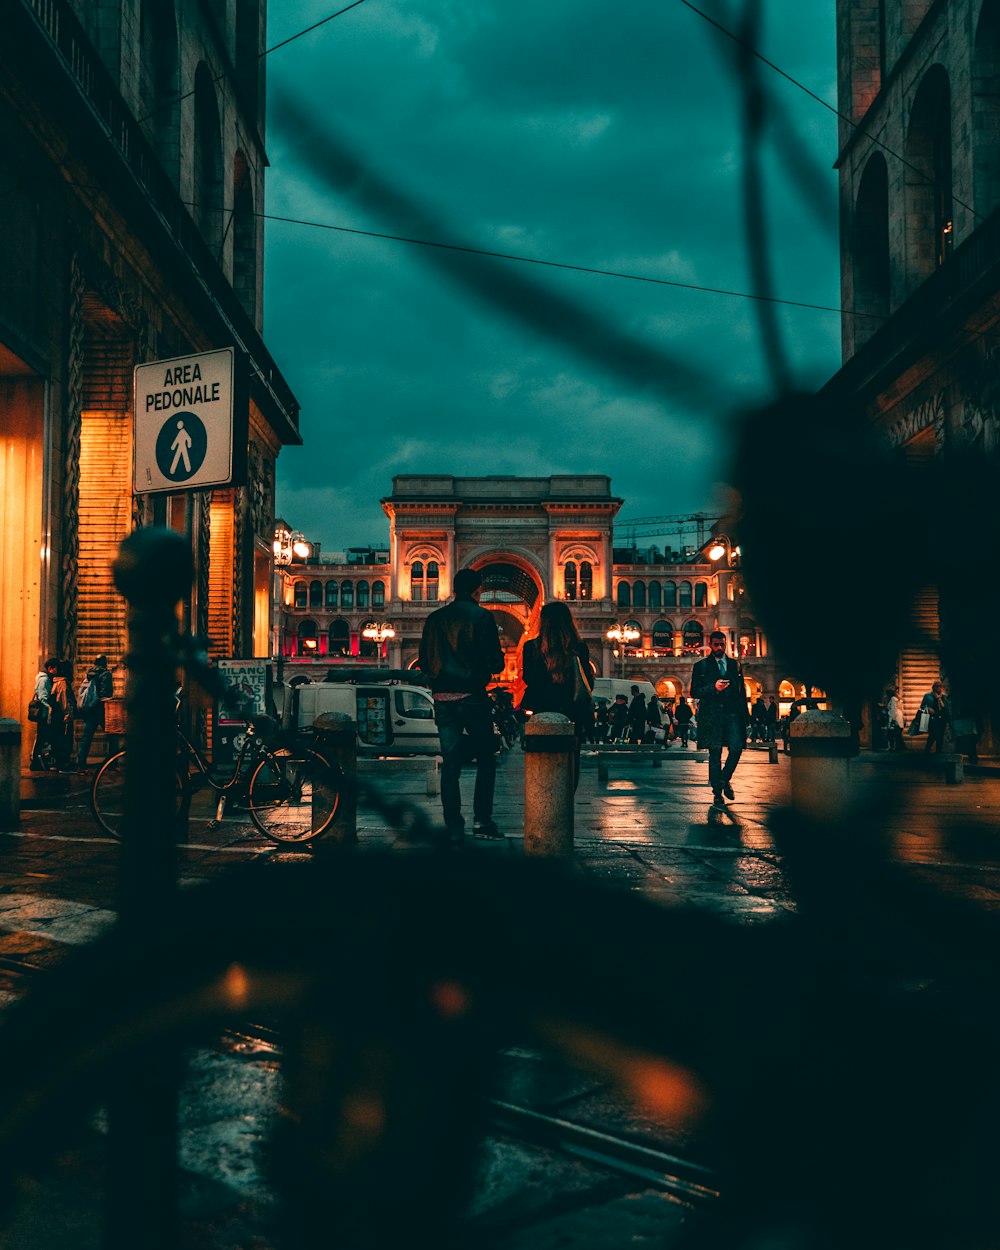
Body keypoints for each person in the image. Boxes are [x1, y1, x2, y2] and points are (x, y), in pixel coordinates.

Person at [418, 568, 505, 842]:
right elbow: (495, 662)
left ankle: (453, 825)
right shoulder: (482, 616)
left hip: (442, 699)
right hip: (473, 698)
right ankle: (482, 821)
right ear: (478, 589)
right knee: (486, 759)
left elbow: (423, 660)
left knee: (451, 765)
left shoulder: (434, 619)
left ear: (454, 589)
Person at [519, 601, 592, 788]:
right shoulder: (579, 647)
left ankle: (545, 800)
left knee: (543, 756)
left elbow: (529, 678)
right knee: (570, 760)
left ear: (542, 622)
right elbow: (587, 681)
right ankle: (565, 801)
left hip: (542, 711)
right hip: (572, 712)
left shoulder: (531, 648)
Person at [691, 630, 749, 807]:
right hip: (712, 716)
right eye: (716, 645)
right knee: (715, 754)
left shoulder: (735, 665)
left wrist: (746, 716)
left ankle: (724, 780)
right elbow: (695, 692)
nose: (719, 648)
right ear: (710, 645)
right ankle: (717, 792)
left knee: (737, 748)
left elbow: (741, 692)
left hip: (732, 714)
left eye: (722, 644)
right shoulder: (701, 666)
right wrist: (714, 688)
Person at [76, 654, 114, 773]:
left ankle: (81, 765)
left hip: (89, 710)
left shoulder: (89, 673)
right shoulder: (106, 674)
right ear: (104, 662)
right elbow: (107, 692)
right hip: (101, 710)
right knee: (112, 736)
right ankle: (112, 764)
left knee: (86, 738)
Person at [30, 658, 59, 771]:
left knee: (42, 737)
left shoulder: (46, 679)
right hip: (43, 714)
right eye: (56, 668)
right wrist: (49, 710)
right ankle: (36, 763)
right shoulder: (44, 680)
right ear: (50, 668)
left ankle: (38, 762)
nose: (57, 670)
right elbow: (43, 697)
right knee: (42, 737)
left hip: (44, 714)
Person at [50, 660, 76, 772]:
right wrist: (68, 716)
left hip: (57, 717)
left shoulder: (56, 682)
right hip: (63, 717)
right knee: (65, 740)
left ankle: (59, 763)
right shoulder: (63, 683)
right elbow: (64, 702)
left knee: (58, 739)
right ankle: (63, 764)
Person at [920, 680, 951, 754]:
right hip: (932, 719)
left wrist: (949, 720)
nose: (939, 688)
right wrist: (928, 708)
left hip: (942, 719)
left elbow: (947, 708)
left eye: (940, 686)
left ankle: (938, 752)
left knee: (940, 737)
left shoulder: (944, 697)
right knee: (932, 735)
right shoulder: (928, 696)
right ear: (933, 687)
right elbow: (922, 706)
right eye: (937, 686)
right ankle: (927, 751)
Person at [885, 687, 905, 752]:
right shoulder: (898, 699)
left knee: (891, 733)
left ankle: (893, 747)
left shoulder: (893, 699)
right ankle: (898, 747)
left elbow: (893, 709)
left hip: (895, 718)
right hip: (899, 717)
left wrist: (893, 720)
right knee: (897, 734)